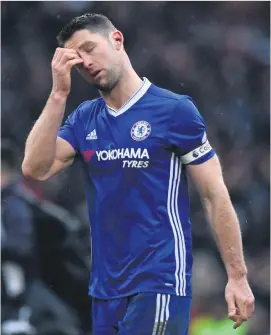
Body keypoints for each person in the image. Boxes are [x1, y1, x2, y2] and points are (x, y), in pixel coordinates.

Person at [22, 13, 255, 335]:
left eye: (90, 48)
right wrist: (58, 94)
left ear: (117, 39)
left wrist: (237, 277)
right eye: (77, 60)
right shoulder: (84, 119)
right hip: (104, 289)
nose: (86, 63)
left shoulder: (174, 111)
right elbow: (35, 168)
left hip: (158, 282)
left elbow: (214, 195)